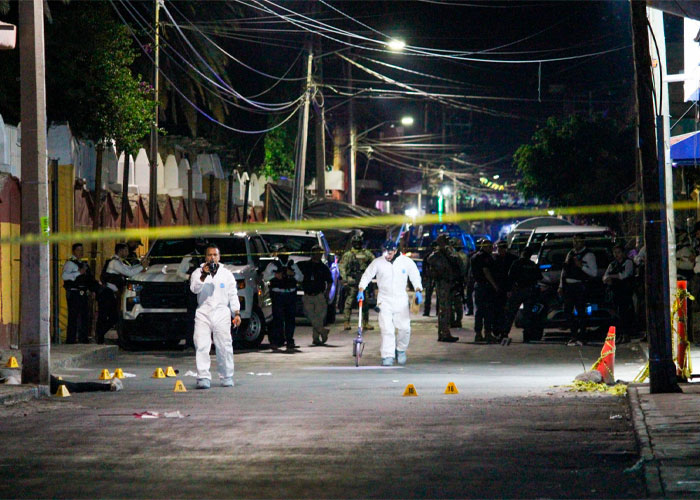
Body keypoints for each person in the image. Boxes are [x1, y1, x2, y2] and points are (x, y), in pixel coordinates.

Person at [357, 241, 423, 366]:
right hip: (384, 300)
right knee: (387, 329)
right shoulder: (378, 262)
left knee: (404, 328)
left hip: (400, 299)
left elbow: (415, 276)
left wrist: (418, 290)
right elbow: (367, 275)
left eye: (390, 252)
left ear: (395, 250)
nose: (388, 255)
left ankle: (401, 350)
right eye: (386, 252)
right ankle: (387, 355)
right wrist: (361, 289)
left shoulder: (406, 262)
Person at [189, 244, 241, 389]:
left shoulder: (226, 274)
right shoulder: (197, 272)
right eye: (209, 255)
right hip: (203, 312)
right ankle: (203, 377)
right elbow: (194, 289)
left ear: (219, 257)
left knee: (224, 345)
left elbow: (233, 294)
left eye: (215, 255)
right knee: (201, 344)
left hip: (222, 312)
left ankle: (226, 375)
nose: (212, 257)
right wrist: (203, 275)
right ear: (205, 257)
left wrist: (236, 313)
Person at [96, 243, 149, 344]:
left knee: (113, 317)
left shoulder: (118, 262)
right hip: (106, 293)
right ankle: (99, 336)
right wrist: (142, 267)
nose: (127, 252)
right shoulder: (114, 262)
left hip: (111, 293)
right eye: (126, 250)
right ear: (121, 251)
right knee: (106, 316)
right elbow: (128, 273)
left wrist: (141, 265)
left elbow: (129, 269)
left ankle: (100, 336)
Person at [559, 234, 597, 346]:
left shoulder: (589, 255)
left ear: (583, 242)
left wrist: (581, 266)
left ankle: (582, 336)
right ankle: (574, 335)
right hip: (568, 287)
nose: (576, 243)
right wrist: (561, 285)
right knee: (567, 311)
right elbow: (564, 270)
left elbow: (594, 273)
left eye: (578, 241)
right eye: (574, 241)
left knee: (581, 312)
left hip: (580, 286)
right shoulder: (570, 253)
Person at [263, 243, 303, 351]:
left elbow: (301, 278)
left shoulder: (292, 264)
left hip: (290, 294)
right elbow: (265, 277)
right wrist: (275, 275)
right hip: (278, 294)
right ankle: (277, 341)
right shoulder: (273, 265)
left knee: (290, 319)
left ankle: (290, 340)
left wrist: (292, 274)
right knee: (277, 319)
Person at [501, 246, 542, 341]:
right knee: (527, 314)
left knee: (511, 313)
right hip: (529, 291)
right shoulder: (532, 264)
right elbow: (539, 277)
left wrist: (509, 290)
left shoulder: (517, 263)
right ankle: (527, 335)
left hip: (518, 290)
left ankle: (505, 333)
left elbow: (510, 277)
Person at [426, 235, 459, 342]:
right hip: (442, 283)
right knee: (444, 309)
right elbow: (433, 263)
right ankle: (444, 333)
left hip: (446, 282)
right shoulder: (437, 254)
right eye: (446, 241)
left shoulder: (446, 252)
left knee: (445, 309)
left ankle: (444, 332)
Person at [298, 245, 333, 345]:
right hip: (307, 295)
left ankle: (316, 338)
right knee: (310, 316)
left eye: (319, 252)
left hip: (319, 295)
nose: (317, 254)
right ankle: (323, 331)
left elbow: (329, 282)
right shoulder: (305, 265)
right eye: (315, 252)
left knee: (319, 317)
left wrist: (327, 293)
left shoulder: (324, 268)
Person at [61, 243, 96, 344]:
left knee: (84, 316)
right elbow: (65, 276)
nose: (80, 252)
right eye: (78, 250)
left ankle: (83, 338)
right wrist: (78, 273)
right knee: (73, 316)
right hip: (74, 293)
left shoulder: (83, 264)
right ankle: (71, 339)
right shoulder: (70, 264)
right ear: (73, 251)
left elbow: (88, 279)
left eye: (82, 250)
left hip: (83, 292)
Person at [339, 234, 375, 330]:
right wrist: (345, 279)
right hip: (352, 281)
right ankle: (346, 322)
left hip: (363, 280)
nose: (357, 244)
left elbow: (375, 263)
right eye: (355, 243)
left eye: (358, 243)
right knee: (349, 302)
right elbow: (342, 267)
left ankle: (365, 323)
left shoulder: (366, 253)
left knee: (365, 302)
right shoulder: (348, 255)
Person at [603, 244, 635, 344]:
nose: (617, 255)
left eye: (618, 252)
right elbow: (605, 276)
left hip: (625, 292)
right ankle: (620, 334)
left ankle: (626, 334)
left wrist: (613, 277)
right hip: (614, 292)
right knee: (617, 315)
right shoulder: (612, 264)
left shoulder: (628, 262)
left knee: (625, 313)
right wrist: (608, 279)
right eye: (615, 253)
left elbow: (625, 275)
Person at [471, 239, 499, 343]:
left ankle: (478, 334)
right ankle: (487, 334)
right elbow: (486, 271)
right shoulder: (485, 257)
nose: (492, 249)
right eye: (491, 247)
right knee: (488, 311)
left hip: (478, 286)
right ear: (486, 247)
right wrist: (494, 285)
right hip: (485, 287)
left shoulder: (474, 256)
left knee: (479, 311)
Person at [492, 240, 518, 340]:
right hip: (496, 288)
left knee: (507, 312)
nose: (501, 250)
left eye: (503, 248)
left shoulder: (512, 259)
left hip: (508, 288)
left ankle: (504, 331)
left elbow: (515, 275)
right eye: (499, 248)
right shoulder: (493, 258)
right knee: (497, 311)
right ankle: (497, 331)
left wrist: (512, 288)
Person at [449, 237, 470, 328]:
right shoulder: (465, 255)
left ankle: (453, 321)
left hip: (454, 282)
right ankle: (458, 320)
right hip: (461, 282)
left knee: (451, 303)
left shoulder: (453, 256)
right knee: (459, 303)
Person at [422, 241, 438, 317]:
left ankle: (428, 311)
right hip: (431, 277)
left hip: (435, 278)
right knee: (429, 295)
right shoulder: (429, 256)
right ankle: (428, 311)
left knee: (432, 295)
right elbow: (424, 268)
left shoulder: (431, 256)